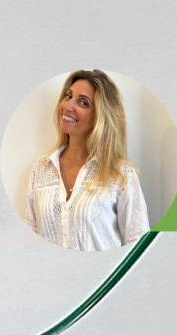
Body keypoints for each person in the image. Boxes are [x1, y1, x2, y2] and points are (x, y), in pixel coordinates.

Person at [26, 70, 149, 251]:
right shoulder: (41, 169)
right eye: (68, 96)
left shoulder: (121, 173)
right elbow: (30, 237)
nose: (68, 105)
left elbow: (138, 245)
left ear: (101, 116)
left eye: (83, 102)